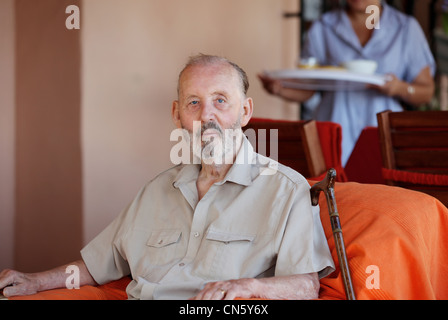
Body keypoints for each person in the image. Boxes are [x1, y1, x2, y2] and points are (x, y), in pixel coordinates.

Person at [0, 54, 334, 300]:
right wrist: (35, 282)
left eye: (220, 100)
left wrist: (247, 287)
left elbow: (306, 285)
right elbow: (99, 263)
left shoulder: (286, 190)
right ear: (178, 115)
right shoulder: (158, 189)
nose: (207, 116)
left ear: (245, 111)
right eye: (194, 103)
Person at [259, 0, 435, 166]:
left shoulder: (405, 28)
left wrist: (401, 88)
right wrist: (279, 89)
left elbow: (426, 91)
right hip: (333, 127)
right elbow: (309, 89)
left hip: (384, 133)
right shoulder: (324, 26)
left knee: (381, 191)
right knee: (333, 191)